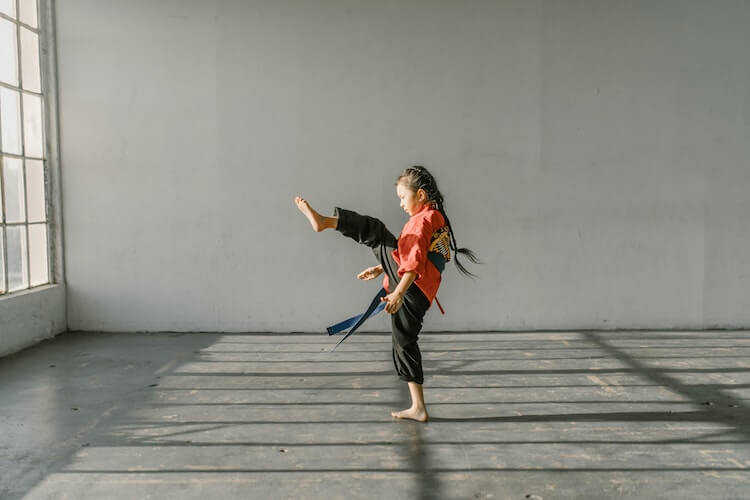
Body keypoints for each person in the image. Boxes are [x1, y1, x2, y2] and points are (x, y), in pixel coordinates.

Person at [295, 165, 478, 422]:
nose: (401, 204)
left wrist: (398, 292)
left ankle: (326, 222)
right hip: (418, 291)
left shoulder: (422, 219)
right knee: (404, 341)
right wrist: (382, 267)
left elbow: (413, 262)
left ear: (421, 195)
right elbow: (416, 257)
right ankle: (418, 407)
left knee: (375, 231)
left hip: (412, 288)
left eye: (403, 197)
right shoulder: (434, 218)